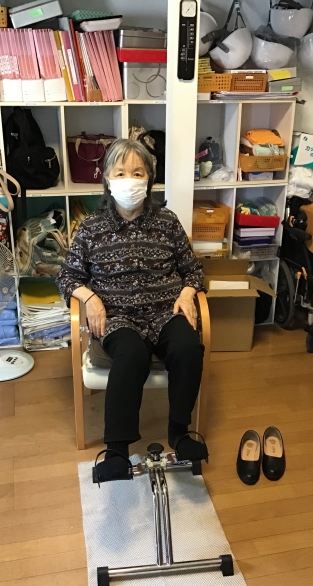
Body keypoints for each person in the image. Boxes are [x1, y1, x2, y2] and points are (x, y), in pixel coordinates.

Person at [57, 138, 207, 482]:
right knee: (131, 355)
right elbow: (67, 277)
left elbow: (193, 269)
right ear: (107, 178)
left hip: (166, 310)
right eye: (121, 172)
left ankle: (179, 432)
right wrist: (90, 298)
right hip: (117, 316)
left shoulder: (167, 222)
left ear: (149, 179)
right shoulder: (91, 228)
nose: (129, 180)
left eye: (138, 173)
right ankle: (117, 451)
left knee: (187, 346)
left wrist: (187, 293)